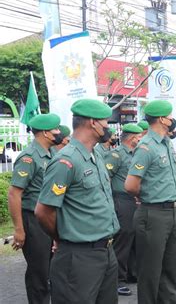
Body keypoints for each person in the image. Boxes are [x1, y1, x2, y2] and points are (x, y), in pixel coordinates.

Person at [35, 99, 120, 303]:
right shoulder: (66, 161)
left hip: (106, 252)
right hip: (79, 257)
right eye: (106, 122)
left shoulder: (95, 156)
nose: (109, 127)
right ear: (93, 123)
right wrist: (62, 237)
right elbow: (43, 211)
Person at [123, 100, 176, 304]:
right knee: (150, 273)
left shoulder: (165, 143)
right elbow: (130, 185)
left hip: (170, 213)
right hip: (153, 214)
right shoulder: (146, 146)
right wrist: (144, 195)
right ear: (163, 119)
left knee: (169, 268)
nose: (173, 119)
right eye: (170, 116)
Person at [8, 113, 61, 304]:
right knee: (38, 273)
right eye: (56, 129)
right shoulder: (29, 157)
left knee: (53, 270)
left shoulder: (53, 154)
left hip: (51, 218)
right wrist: (19, 230)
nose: (59, 132)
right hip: (33, 222)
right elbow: (14, 194)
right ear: (46, 133)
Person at [103, 123, 143, 296]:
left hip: (133, 201)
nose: (142, 140)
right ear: (133, 138)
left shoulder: (136, 154)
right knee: (123, 239)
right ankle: (117, 280)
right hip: (121, 201)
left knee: (134, 239)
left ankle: (132, 274)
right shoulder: (116, 154)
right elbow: (106, 179)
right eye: (140, 137)